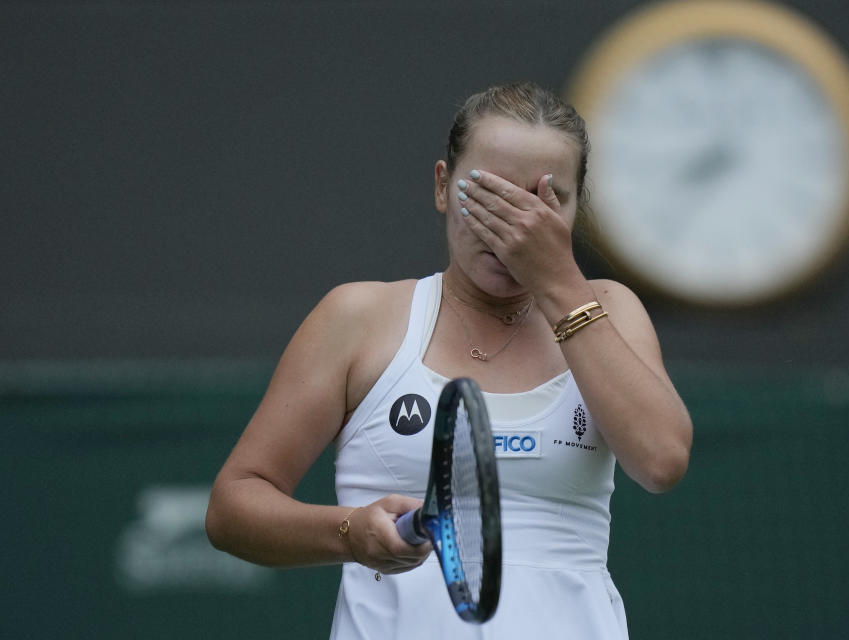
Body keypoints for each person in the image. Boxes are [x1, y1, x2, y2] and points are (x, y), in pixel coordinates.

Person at [206, 81, 692, 639]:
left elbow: (661, 462)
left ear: (575, 210)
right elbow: (232, 509)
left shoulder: (607, 309)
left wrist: (556, 280)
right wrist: (348, 532)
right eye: (487, 194)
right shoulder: (358, 317)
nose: (512, 225)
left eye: (541, 201)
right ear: (443, 186)